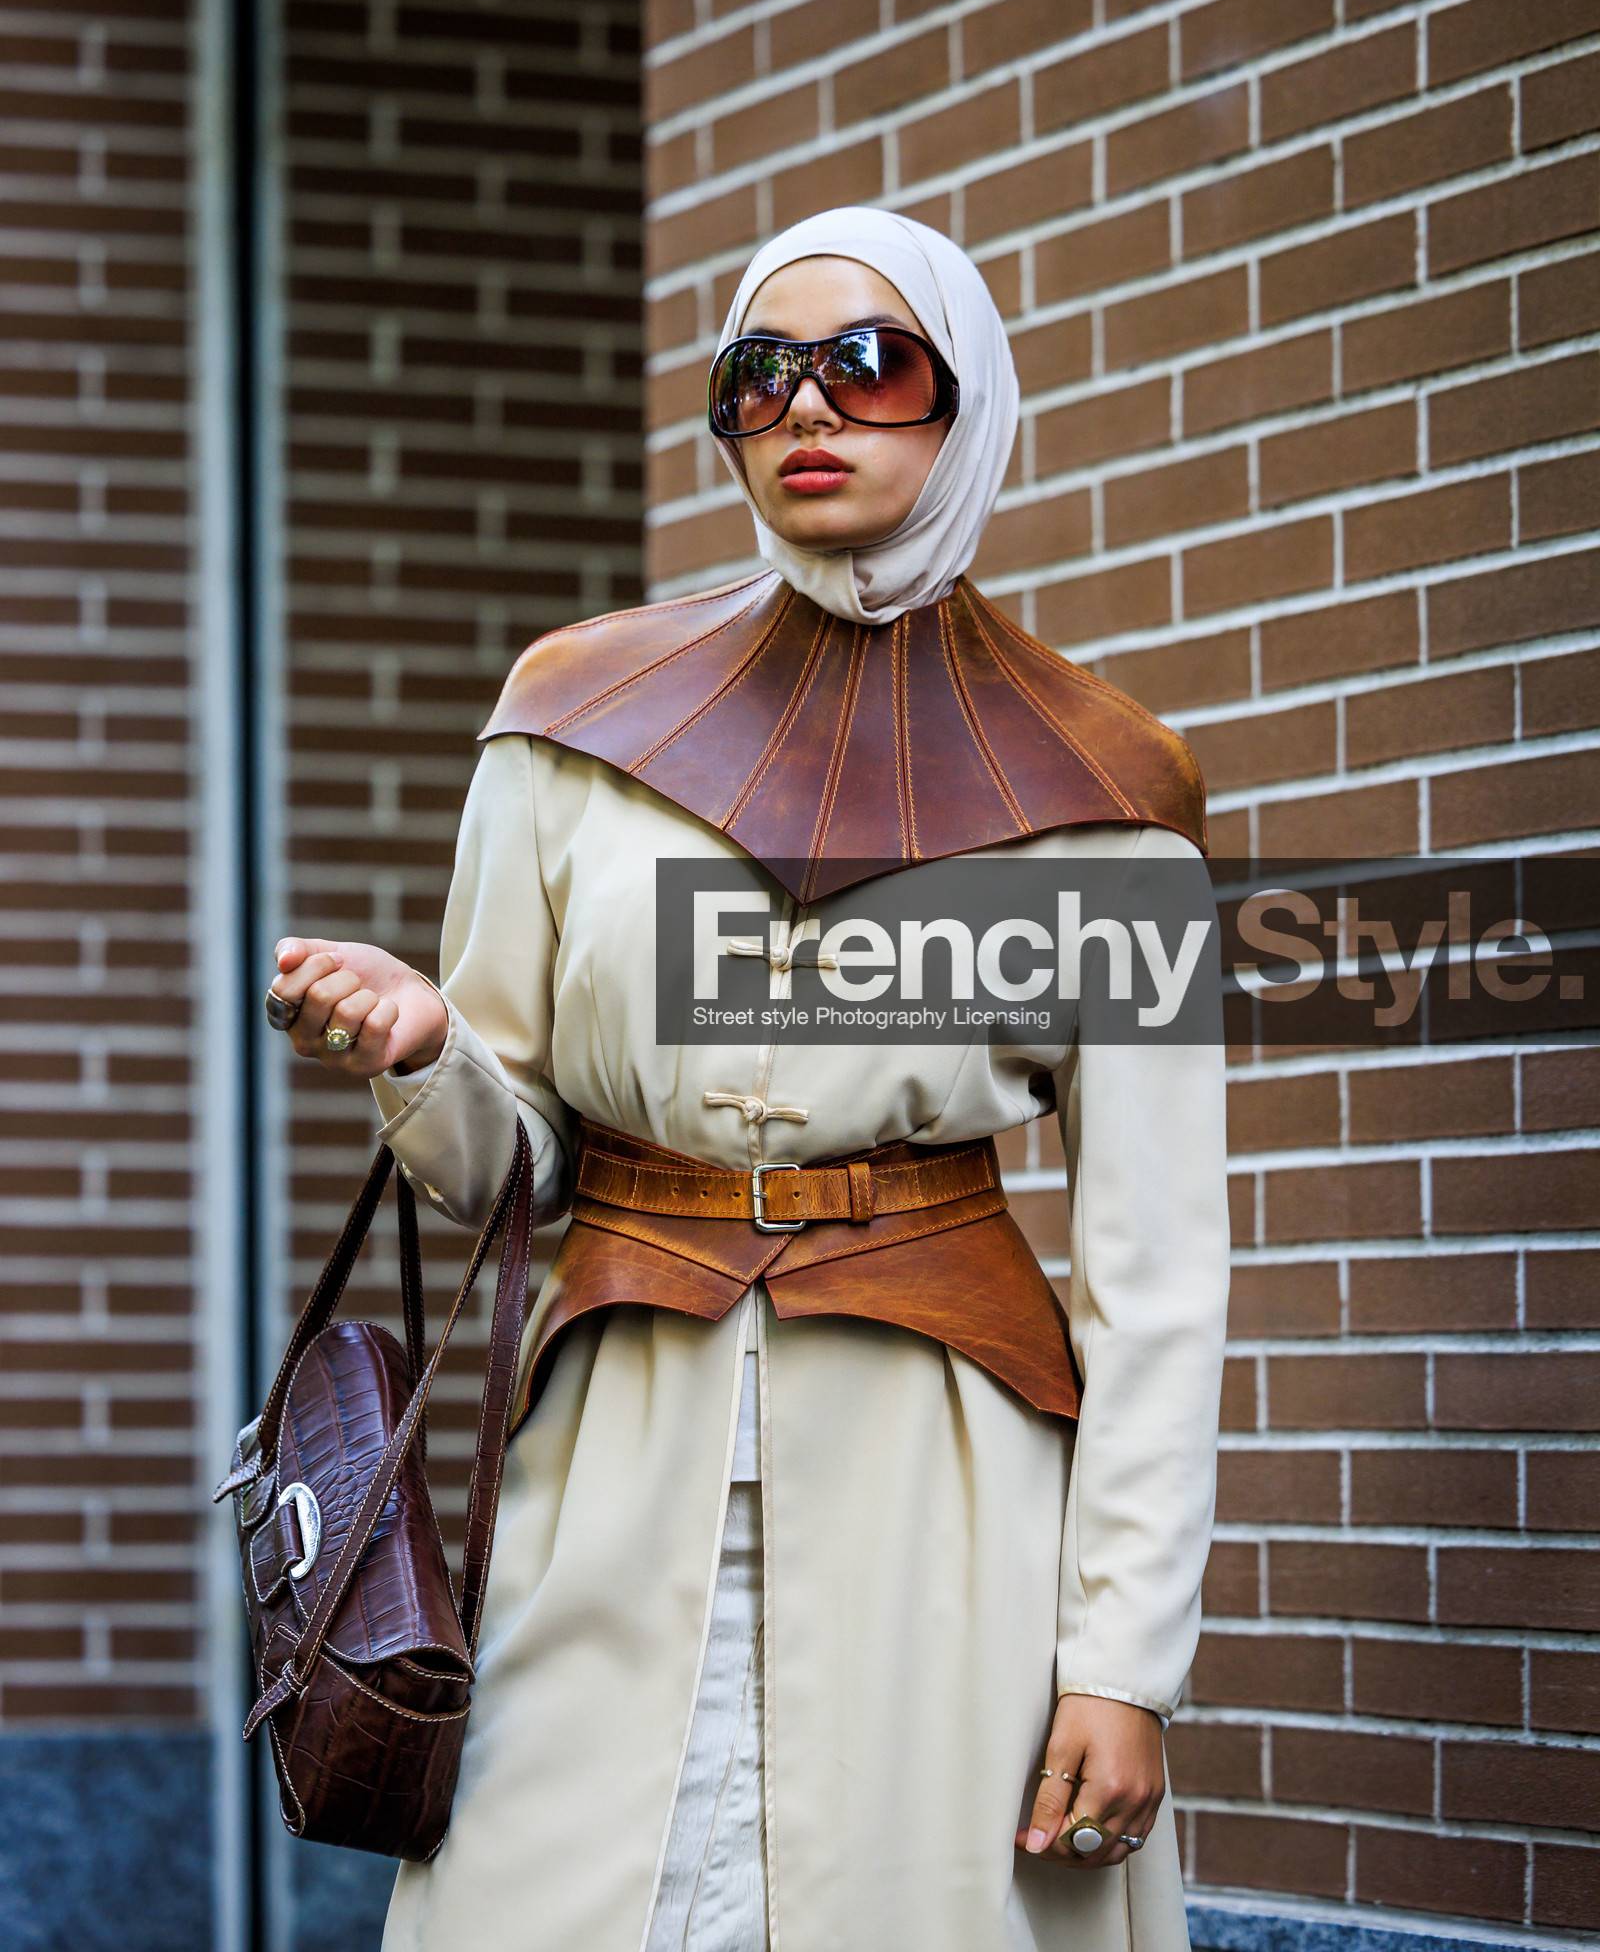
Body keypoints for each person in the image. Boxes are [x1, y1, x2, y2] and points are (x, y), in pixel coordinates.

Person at [264, 207, 1229, 1952]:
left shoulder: (1107, 786)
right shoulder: (571, 722)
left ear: (969, 401)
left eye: (869, 364)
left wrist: (1125, 1664)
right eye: (754, 376)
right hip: (614, 1457)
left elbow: (1161, 1279)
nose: (808, 407)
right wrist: (426, 1055)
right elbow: (507, 1168)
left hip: (955, 1476)